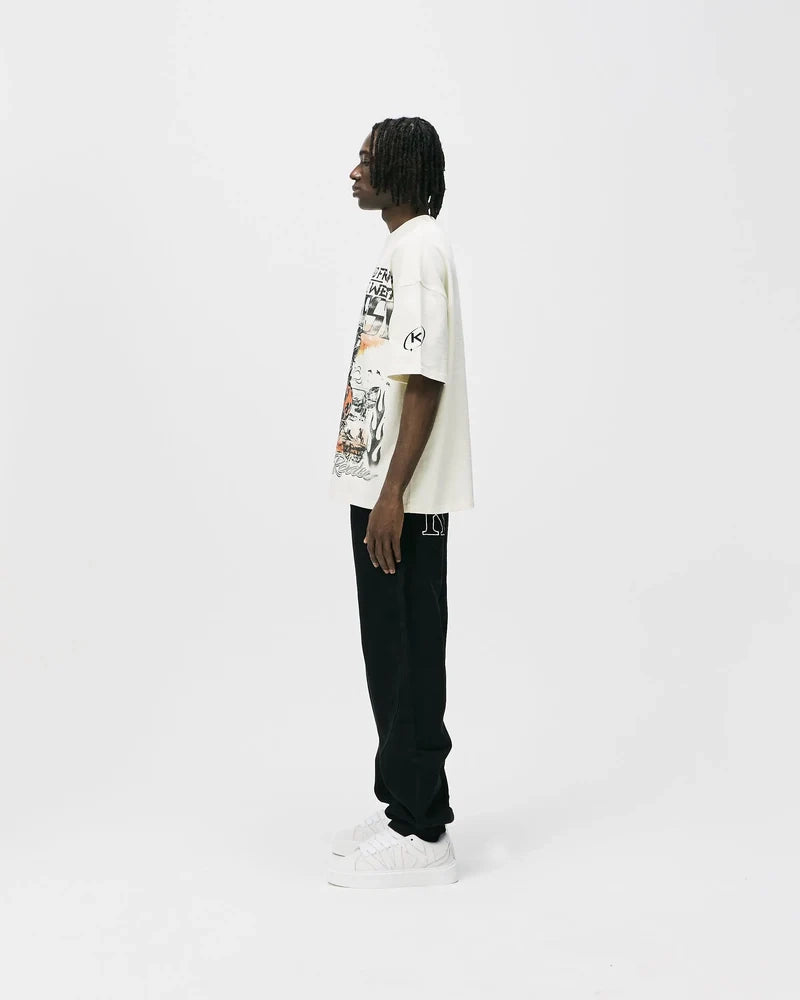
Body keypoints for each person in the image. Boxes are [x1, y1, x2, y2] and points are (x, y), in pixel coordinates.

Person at [326, 117, 474, 889]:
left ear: (402, 170)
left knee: (409, 654)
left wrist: (393, 494)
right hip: (386, 493)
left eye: (367, 159)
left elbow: (425, 378)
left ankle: (424, 830)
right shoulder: (403, 246)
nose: (354, 171)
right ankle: (400, 808)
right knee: (389, 652)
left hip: (402, 502)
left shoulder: (418, 250)